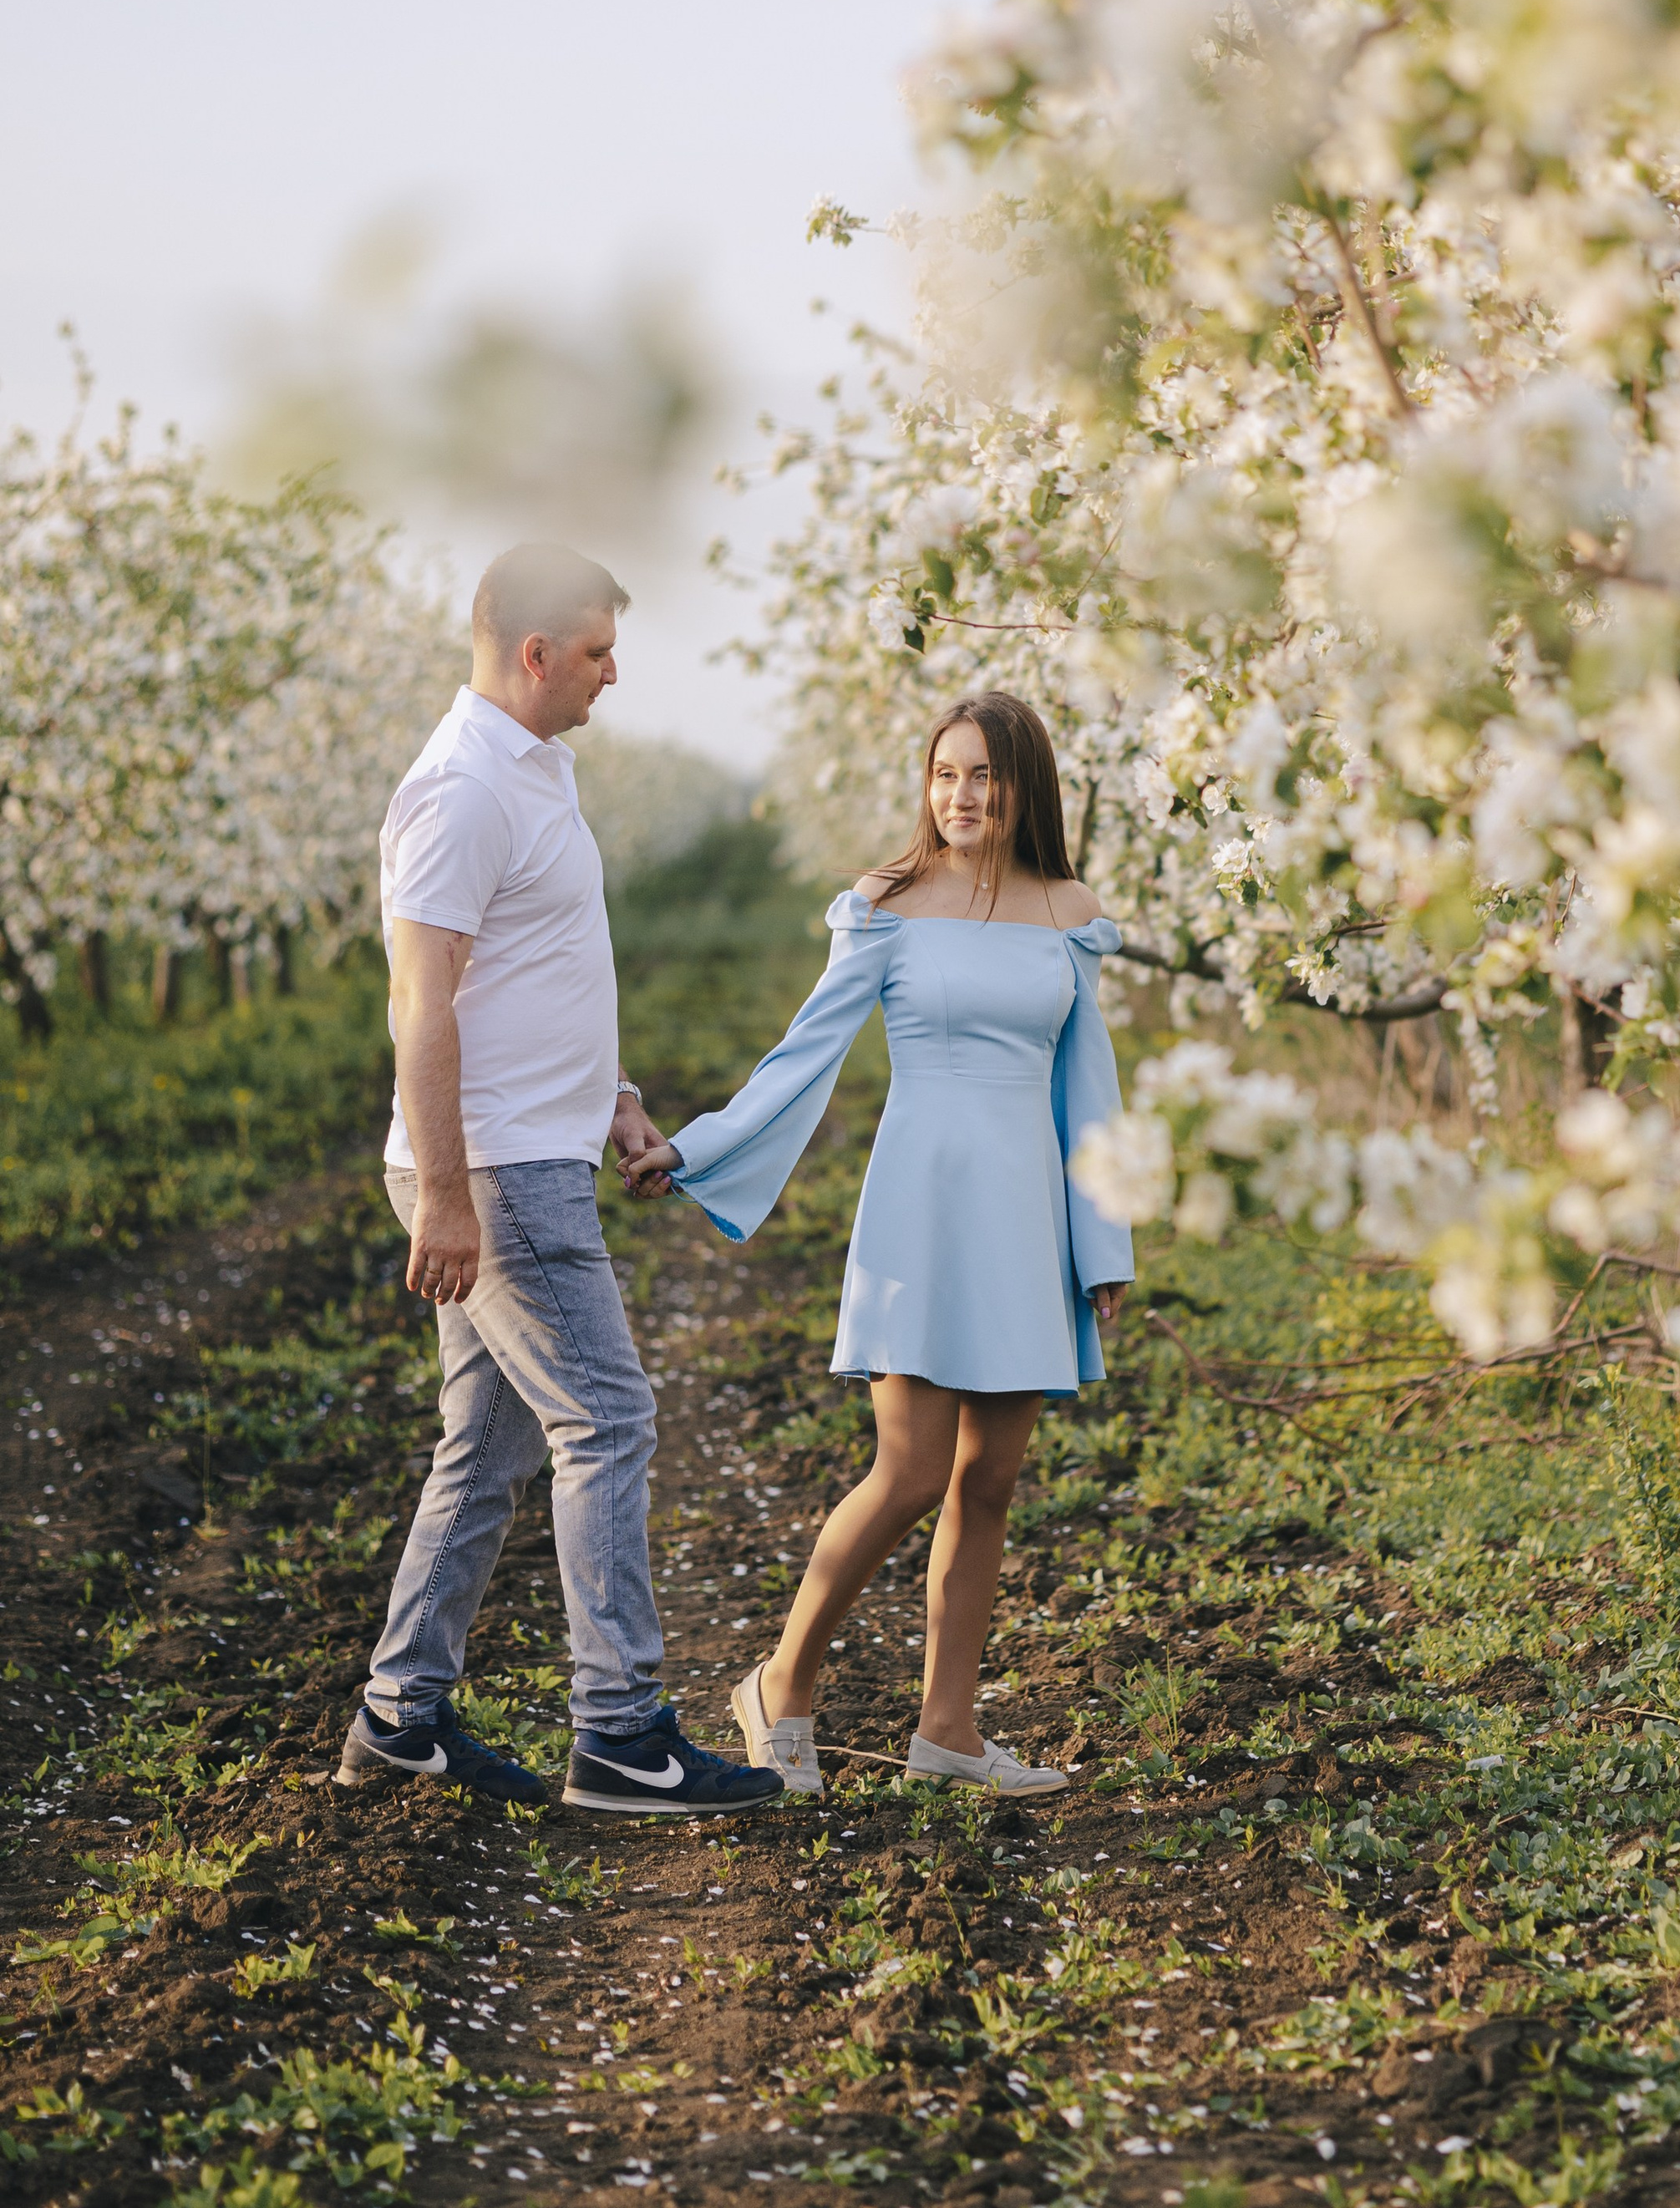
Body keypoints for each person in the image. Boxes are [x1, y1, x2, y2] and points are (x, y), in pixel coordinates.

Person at [335, 541, 784, 1823]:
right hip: (498, 1171)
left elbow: (539, 979)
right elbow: (421, 1006)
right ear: (534, 653)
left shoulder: (538, 773)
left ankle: (399, 1716)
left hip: (535, 1146)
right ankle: (622, 1732)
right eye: (596, 649)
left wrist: (619, 1096)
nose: (613, 670)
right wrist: (446, 1192)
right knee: (609, 1417)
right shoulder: (464, 789)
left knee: (486, 1447)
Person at [622, 689, 1134, 1799]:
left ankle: (948, 1730)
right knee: (907, 1470)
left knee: (991, 1480)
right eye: (945, 773)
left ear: (1023, 787)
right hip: (921, 1207)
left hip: (1028, 1216)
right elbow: (802, 1055)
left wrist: (1105, 1248)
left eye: (984, 775)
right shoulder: (889, 906)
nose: (961, 794)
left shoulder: (1070, 913)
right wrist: (695, 1148)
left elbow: (1090, 1096)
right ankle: (780, 1682)